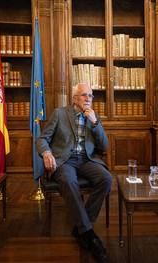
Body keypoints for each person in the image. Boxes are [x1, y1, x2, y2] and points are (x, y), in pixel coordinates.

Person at [37, 83, 112, 262]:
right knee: (69, 181)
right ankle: (89, 234)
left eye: (91, 96)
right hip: (64, 160)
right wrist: (47, 152)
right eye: (84, 95)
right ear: (74, 98)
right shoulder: (60, 113)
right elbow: (42, 139)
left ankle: (82, 226)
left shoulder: (93, 117)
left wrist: (95, 123)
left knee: (106, 178)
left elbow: (104, 146)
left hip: (87, 159)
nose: (88, 99)